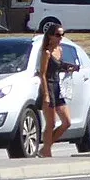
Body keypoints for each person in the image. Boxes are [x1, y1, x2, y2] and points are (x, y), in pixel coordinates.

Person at [37, 23, 76, 155]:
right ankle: (47, 152)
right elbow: (42, 74)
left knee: (67, 122)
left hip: (58, 87)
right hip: (48, 87)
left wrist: (67, 68)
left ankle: (45, 148)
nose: (61, 38)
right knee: (51, 124)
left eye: (62, 35)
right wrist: (46, 95)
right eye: (58, 35)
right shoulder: (46, 53)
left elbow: (58, 67)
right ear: (50, 36)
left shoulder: (60, 50)